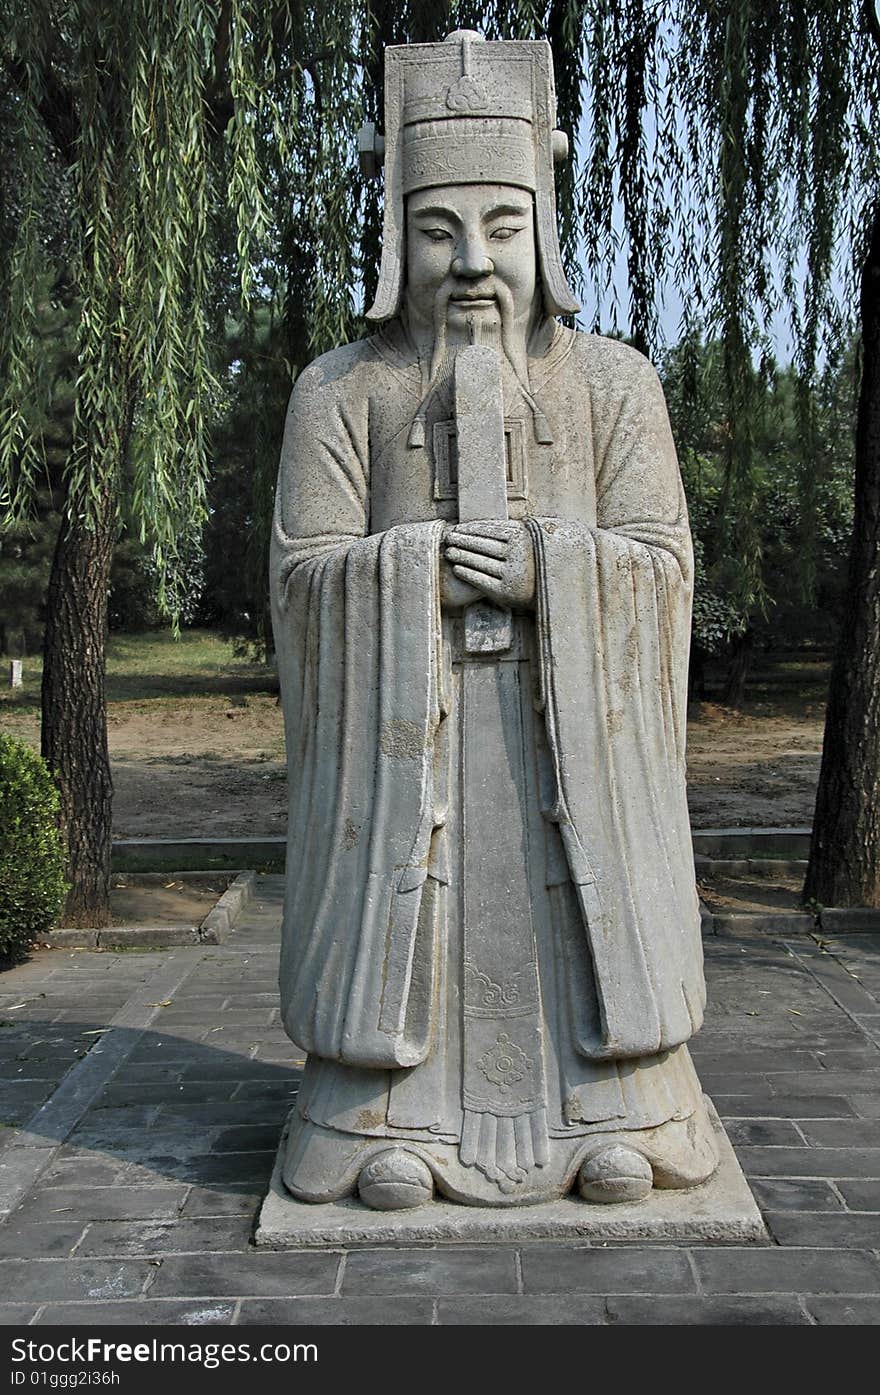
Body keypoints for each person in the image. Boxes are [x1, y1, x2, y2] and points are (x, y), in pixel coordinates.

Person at [270, 32, 718, 1209]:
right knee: (420, 906)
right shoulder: (341, 390)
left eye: (503, 227)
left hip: (563, 743)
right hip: (409, 749)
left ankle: (614, 1105)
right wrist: (414, 569)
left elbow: (664, 567)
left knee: (569, 907)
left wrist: (552, 573)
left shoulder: (611, 383)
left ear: (544, 228)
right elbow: (303, 573)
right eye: (437, 229)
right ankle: (386, 1123)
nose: (472, 260)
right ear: (394, 235)